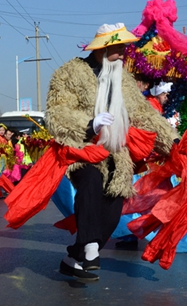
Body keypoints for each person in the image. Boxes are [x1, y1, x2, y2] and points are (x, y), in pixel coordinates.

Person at [45, 23, 178, 281]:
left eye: (123, 48)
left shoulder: (124, 79)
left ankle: (73, 257)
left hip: (116, 157)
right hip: (81, 150)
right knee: (91, 183)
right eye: (117, 48)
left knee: (113, 210)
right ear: (103, 49)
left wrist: (172, 140)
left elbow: (143, 114)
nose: (122, 53)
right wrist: (88, 124)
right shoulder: (69, 73)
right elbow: (56, 112)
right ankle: (91, 248)